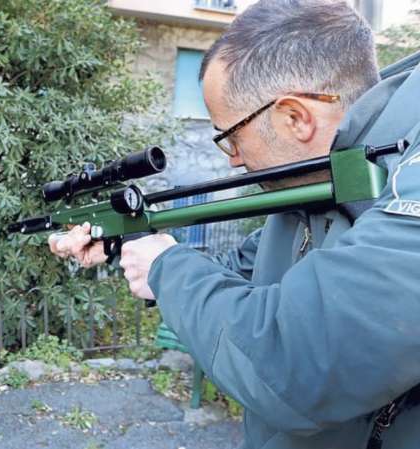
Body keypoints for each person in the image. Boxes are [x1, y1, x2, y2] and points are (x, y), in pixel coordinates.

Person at [48, 1, 420, 448]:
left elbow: (300, 361)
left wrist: (165, 267)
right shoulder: (326, 187)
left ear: (295, 118)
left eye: (230, 138)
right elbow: (241, 271)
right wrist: (130, 246)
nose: (236, 159)